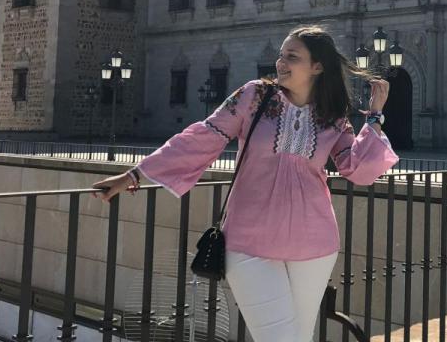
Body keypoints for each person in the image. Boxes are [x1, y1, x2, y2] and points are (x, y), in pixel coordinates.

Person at [91, 26, 398, 342]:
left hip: (314, 244)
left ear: (317, 66)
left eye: (292, 57)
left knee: (300, 337)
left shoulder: (332, 115)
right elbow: (202, 138)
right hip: (248, 243)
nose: (280, 63)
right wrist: (134, 175)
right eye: (281, 55)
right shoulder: (254, 96)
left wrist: (374, 116)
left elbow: (357, 169)